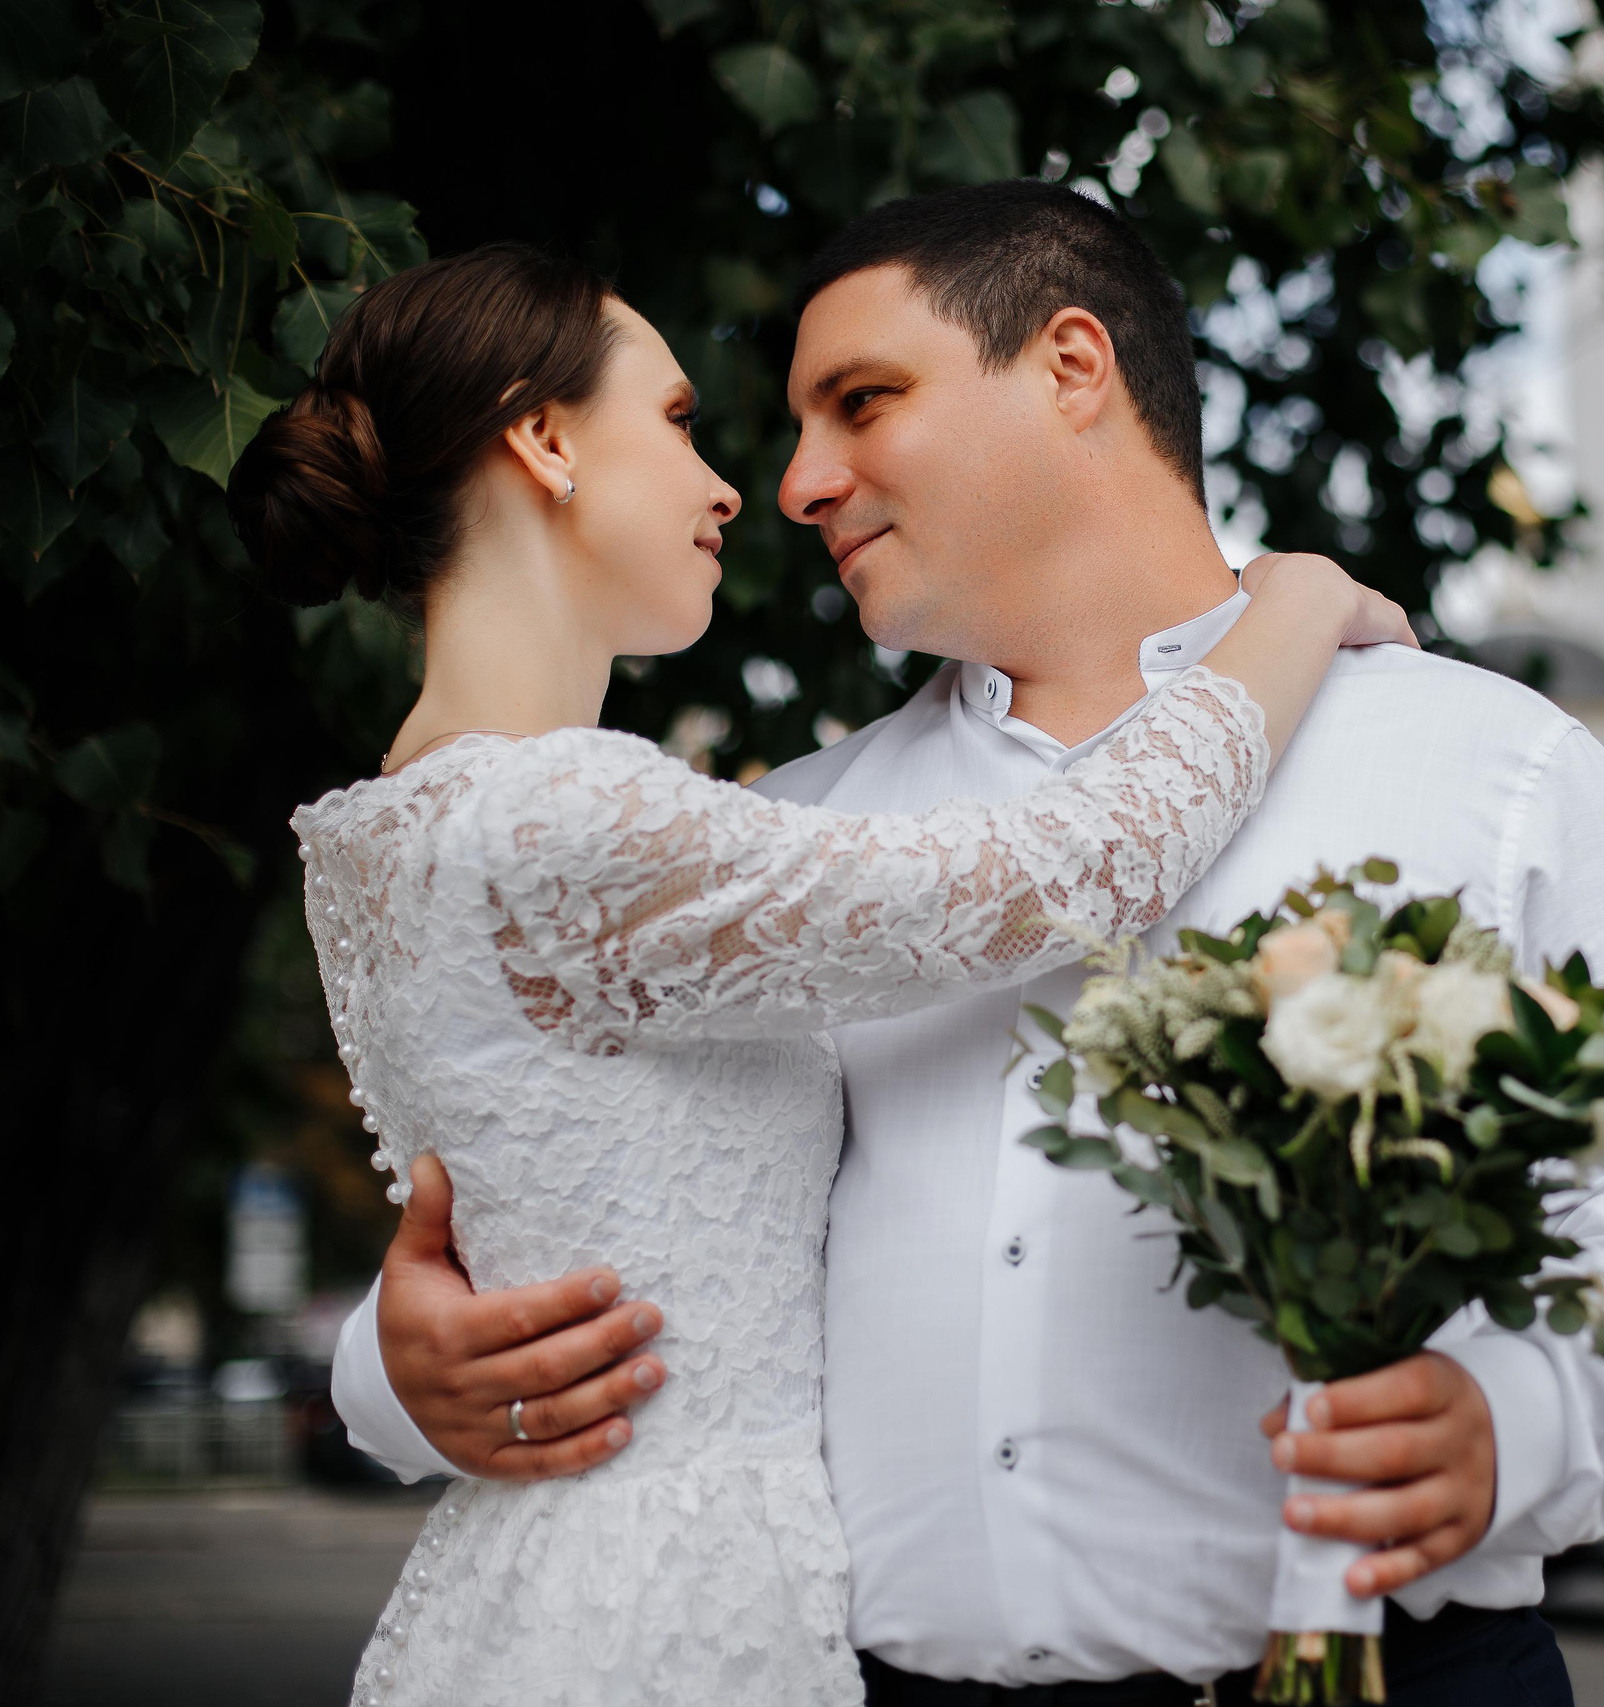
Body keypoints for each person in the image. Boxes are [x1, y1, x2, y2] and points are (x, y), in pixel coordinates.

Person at [331, 186, 1604, 1704]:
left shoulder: (1494, 766)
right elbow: (631, 1192)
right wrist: (402, 1373)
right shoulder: (793, 832)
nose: (796, 484)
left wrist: (1520, 1423)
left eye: (862, 403)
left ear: (1072, 368)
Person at [230, 240, 1412, 1707]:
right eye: (673, 423)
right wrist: (1292, 600)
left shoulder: (380, 833)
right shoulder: (568, 818)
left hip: (555, 1579)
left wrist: (398, 1375)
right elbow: (1072, 872)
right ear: (540, 439)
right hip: (674, 1599)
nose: (735, 488)